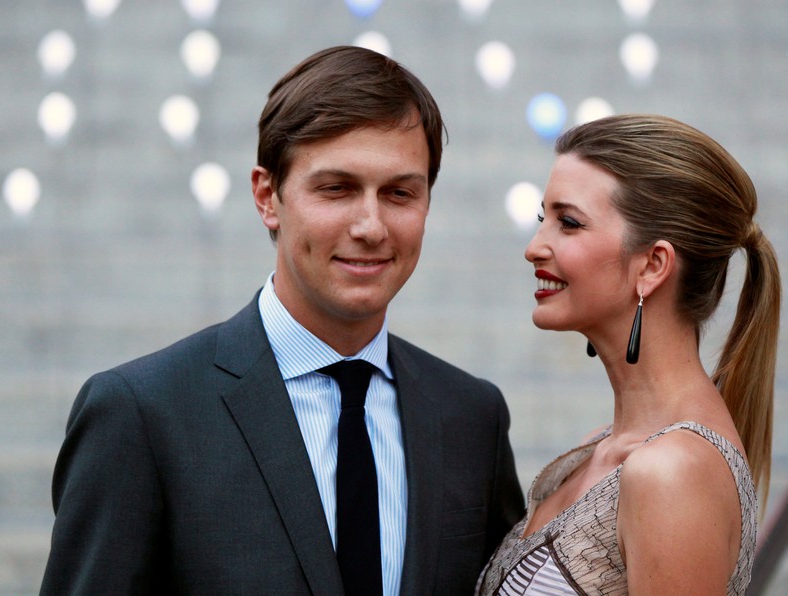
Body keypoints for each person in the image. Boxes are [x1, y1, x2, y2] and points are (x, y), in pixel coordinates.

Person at [40, 45, 525, 595]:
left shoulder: (472, 417)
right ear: (268, 197)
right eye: (336, 188)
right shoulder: (139, 414)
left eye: (399, 193)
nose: (371, 226)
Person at [476, 114, 780, 595]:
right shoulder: (589, 454)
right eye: (543, 220)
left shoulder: (672, 472)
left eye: (568, 223)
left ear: (653, 265)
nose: (535, 247)